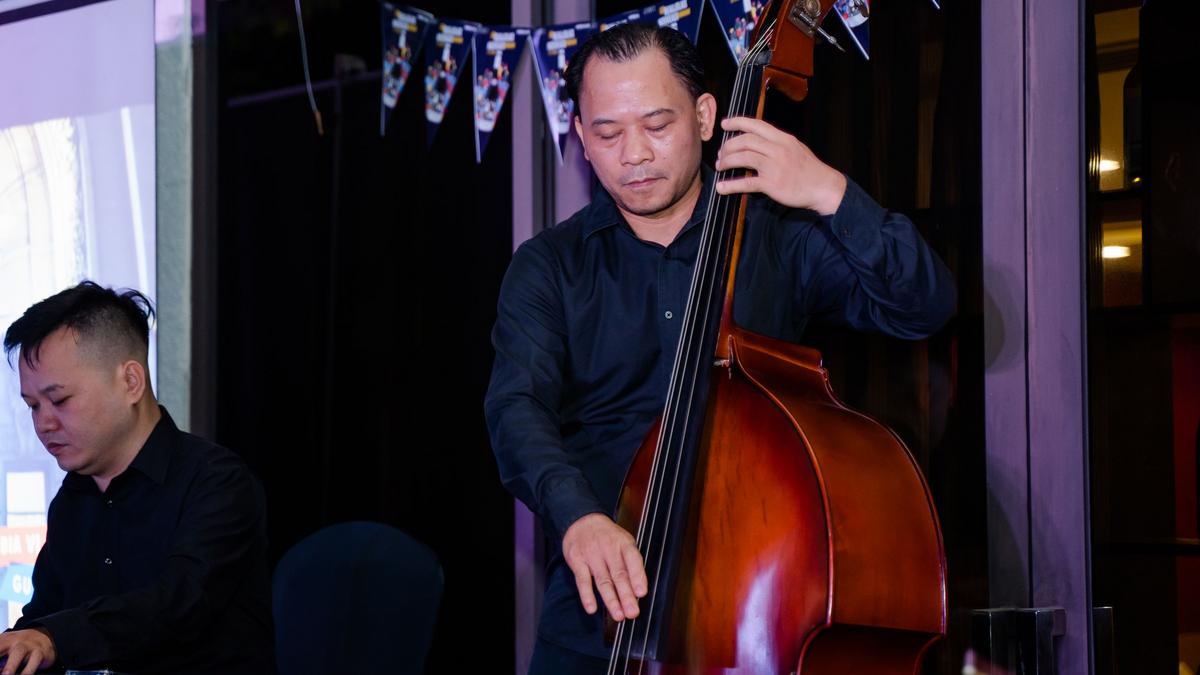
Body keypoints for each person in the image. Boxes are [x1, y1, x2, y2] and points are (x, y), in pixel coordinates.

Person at [484, 23, 956, 674]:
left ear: (705, 117)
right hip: (595, 622)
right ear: (582, 139)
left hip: (753, 614)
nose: (634, 154)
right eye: (608, 133)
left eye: (657, 125)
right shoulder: (549, 265)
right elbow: (516, 408)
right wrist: (579, 517)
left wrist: (829, 192)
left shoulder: (777, 236)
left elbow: (922, 305)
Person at [0, 282, 273, 675]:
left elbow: (179, 604)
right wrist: (20, 646)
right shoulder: (72, 499)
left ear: (131, 382)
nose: (43, 423)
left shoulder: (218, 483)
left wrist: (56, 637)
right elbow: (44, 619)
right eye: (32, 406)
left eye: (59, 400)